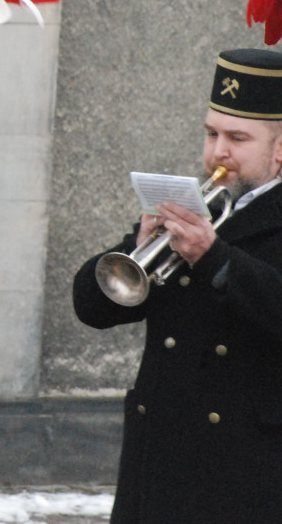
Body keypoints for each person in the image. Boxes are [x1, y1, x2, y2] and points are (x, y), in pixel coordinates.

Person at [73, 48, 282, 523]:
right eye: (211, 134)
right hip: (158, 461)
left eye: (237, 138)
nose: (217, 153)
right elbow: (93, 308)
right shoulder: (196, 208)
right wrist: (138, 247)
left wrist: (214, 259)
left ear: (279, 148)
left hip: (247, 472)